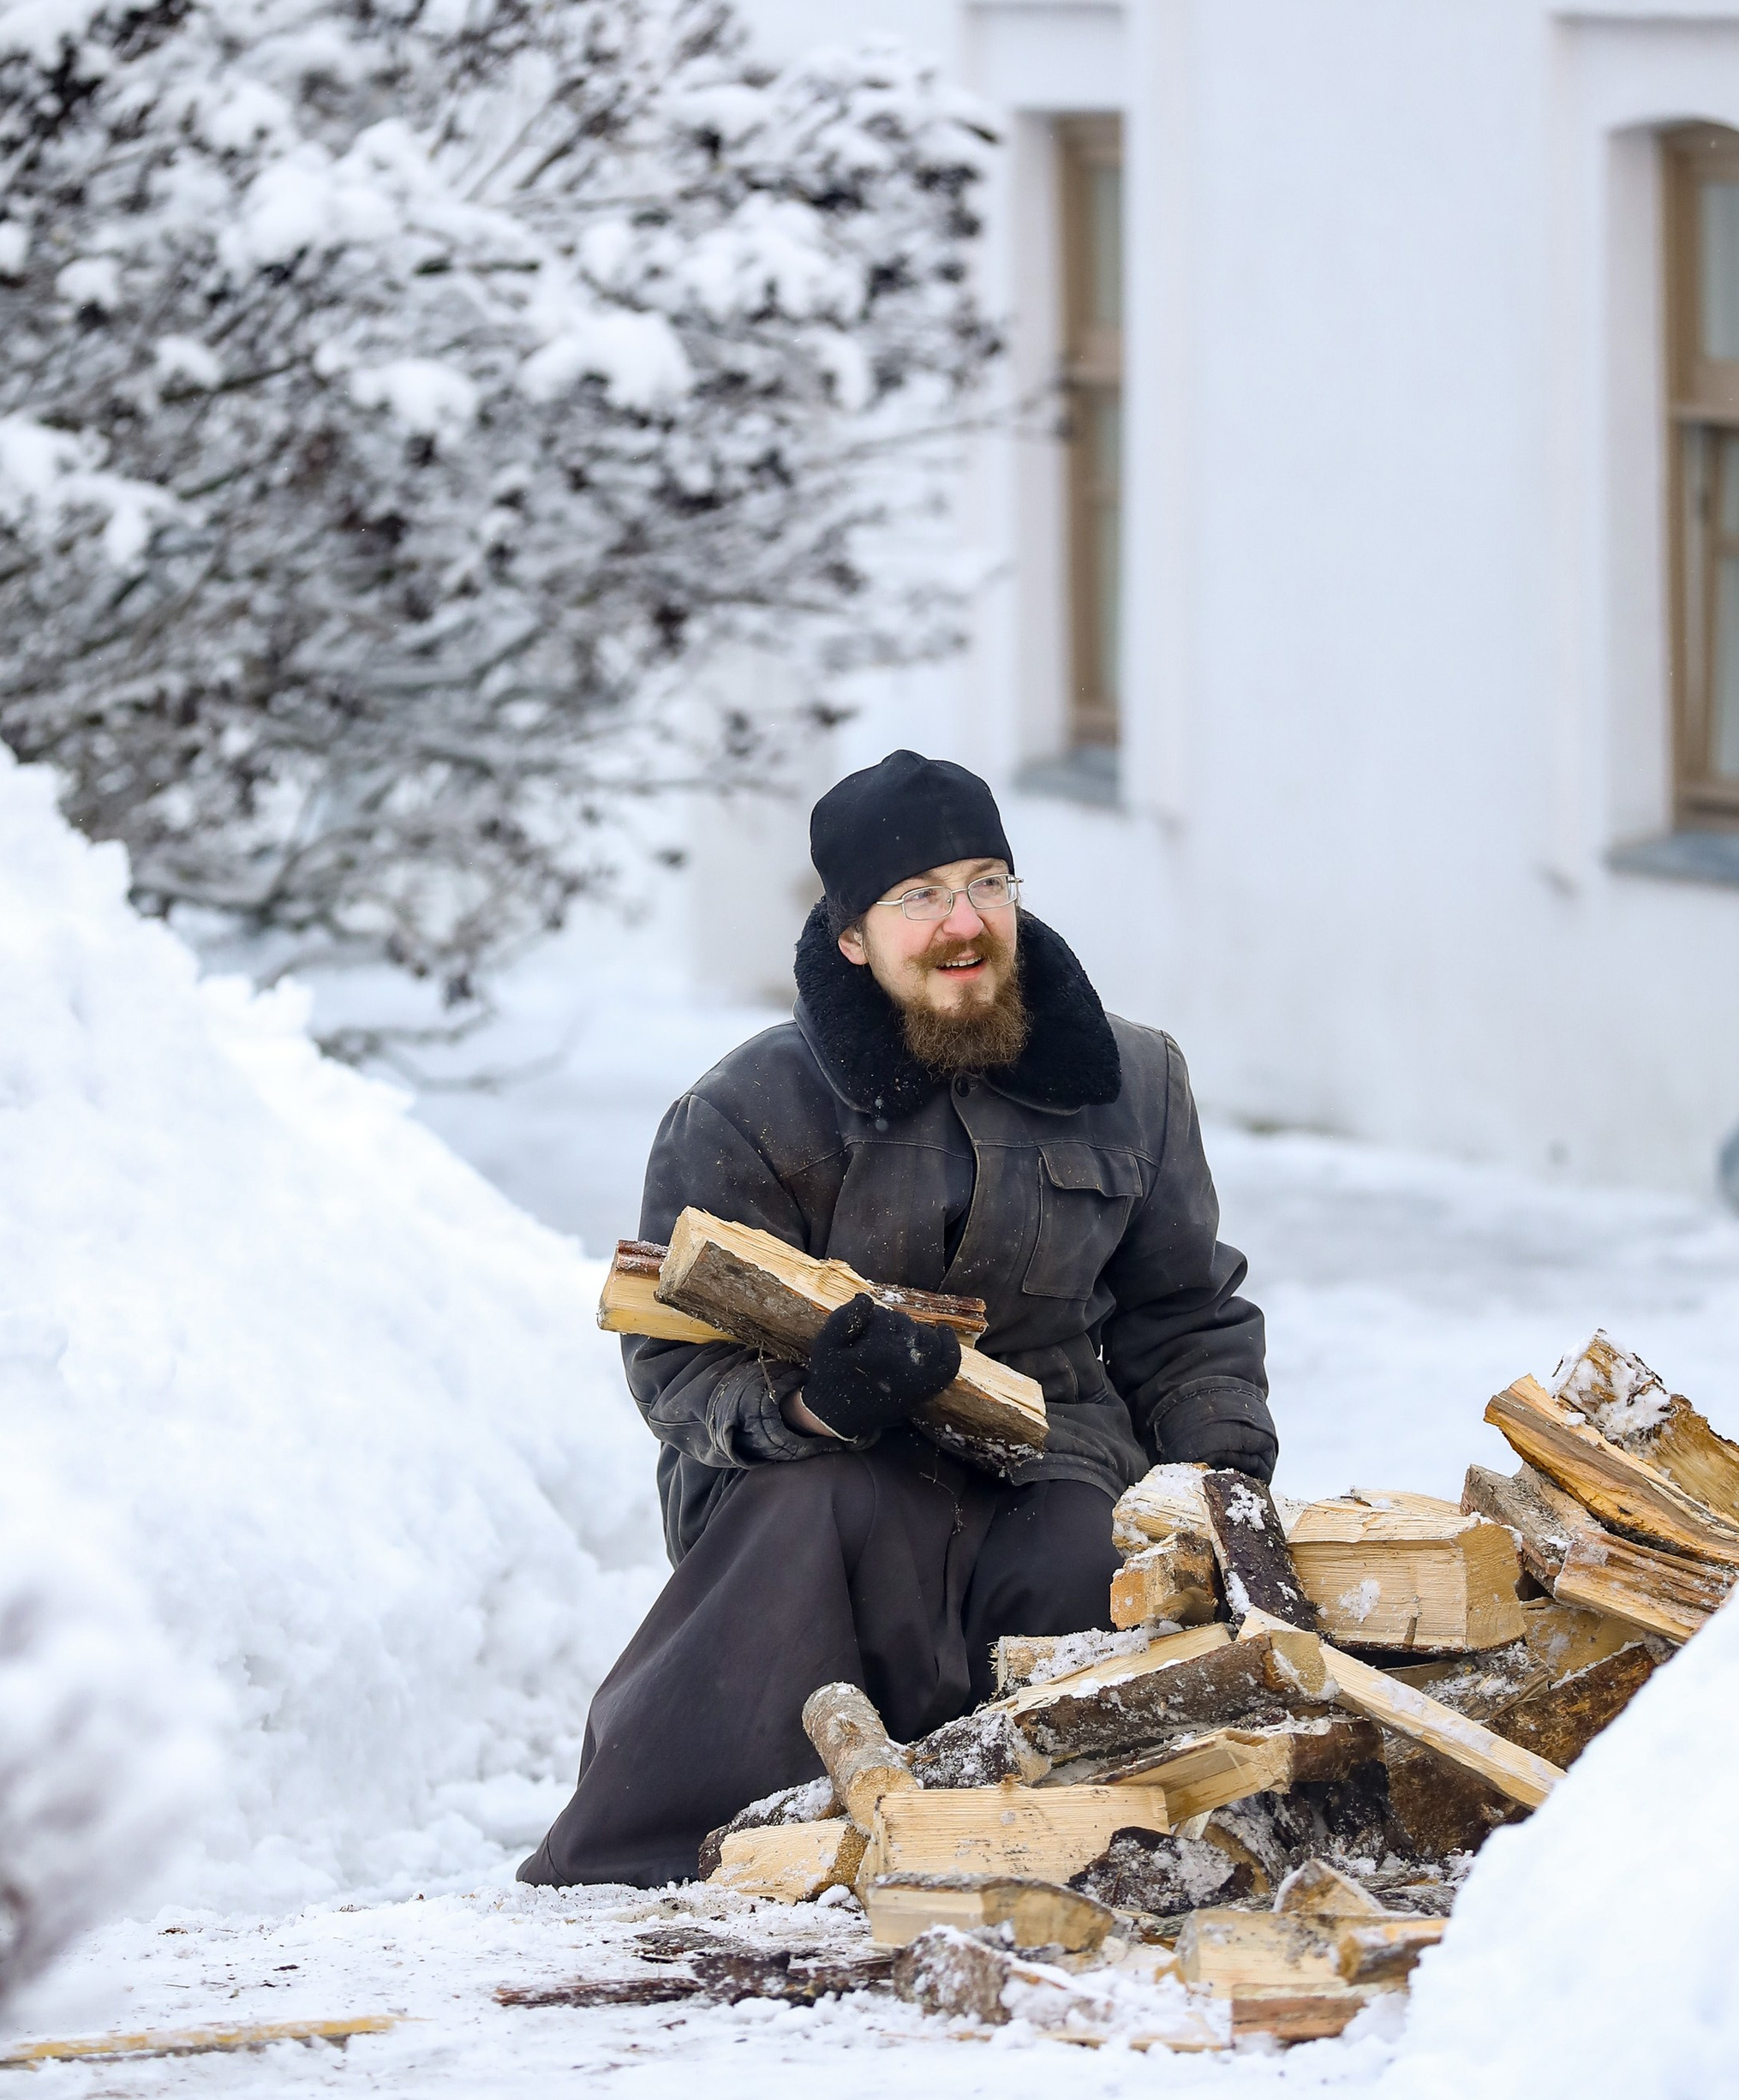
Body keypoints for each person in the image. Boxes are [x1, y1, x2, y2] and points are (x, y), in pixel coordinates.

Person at [519, 749, 1276, 1887]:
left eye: (986, 883)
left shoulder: (1136, 1081)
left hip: (1052, 1454)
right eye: (917, 898)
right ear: (851, 938)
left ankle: (1067, 1851)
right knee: (821, 1525)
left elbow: (1186, 1312)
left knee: (1090, 1562)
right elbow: (672, 1367)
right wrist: (815, 1404)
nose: (962, 921)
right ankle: (664, 1859)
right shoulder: (745, 1108)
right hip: (823, 1460)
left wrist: (1219, 1477)